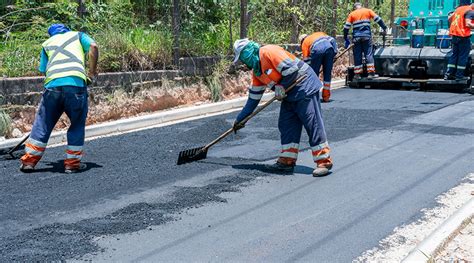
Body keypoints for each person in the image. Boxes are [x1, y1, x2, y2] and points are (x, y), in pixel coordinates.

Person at [232, 39, 333, 177]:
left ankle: (324, 161)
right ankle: (287, 160)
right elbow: (253, 99)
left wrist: (281, 86)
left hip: (304, 86)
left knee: (312, 123)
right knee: (286, 124)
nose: (243, 62)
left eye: (242, 58)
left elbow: (291, 69)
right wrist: (240, 119)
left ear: (247, 52)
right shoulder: (257, 72)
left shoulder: (268, 51)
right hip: (289, 94)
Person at [19, 24, 99, 174]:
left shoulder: (47, 43)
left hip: (52, 86)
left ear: (51, 35)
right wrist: (92, 73)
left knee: (43, 122)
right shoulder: (78, 35)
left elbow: (44, 71)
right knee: (76, 123)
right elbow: (94, 46)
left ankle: (29, 161)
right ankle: (72, 164)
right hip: (76, 85)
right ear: (67, 30)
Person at [343, 2, 386, 79]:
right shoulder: (368, 11)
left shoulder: (352, 14)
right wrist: (384, 28)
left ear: (355, 8)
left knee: (357, 55)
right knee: (368, 54)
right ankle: (371, 74)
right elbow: (378, 19)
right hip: (366, 37)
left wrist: (345, 38)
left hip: (356, 38)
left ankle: (357, 75)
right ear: (361, 6)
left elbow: (346, 27)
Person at [298, 32, 338, 102]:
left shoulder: (305, 42)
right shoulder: (319, 34)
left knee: (314, 75)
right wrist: (334, 54)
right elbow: (332, 40)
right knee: (327, 73)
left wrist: (309, 71)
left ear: (301, 41)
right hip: (329, 49)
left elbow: (306, 61)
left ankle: (314, 96)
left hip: (317, 50)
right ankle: (326, 97)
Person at [445, 0, 474, 81]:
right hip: (463, 36)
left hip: (455, 35)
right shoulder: (470, 11)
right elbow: (468, 24)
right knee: (462, 56)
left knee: (454, 55)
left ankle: (448, 75)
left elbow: (449, 18)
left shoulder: (459, 9)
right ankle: (459, 76)